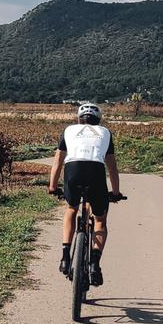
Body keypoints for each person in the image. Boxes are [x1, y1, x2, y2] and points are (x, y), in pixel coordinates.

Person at [47, 102, 123, 286]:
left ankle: (65, 256)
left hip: (73, 170)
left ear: (78, 118)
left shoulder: (69, 130)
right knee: (99, 219)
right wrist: (115, 192)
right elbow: (111, 165)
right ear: (99, 120)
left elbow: (58, 159)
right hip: (95, 172)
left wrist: (52, 186)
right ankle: (95, 263)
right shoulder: (105, 133)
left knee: (71, 208)